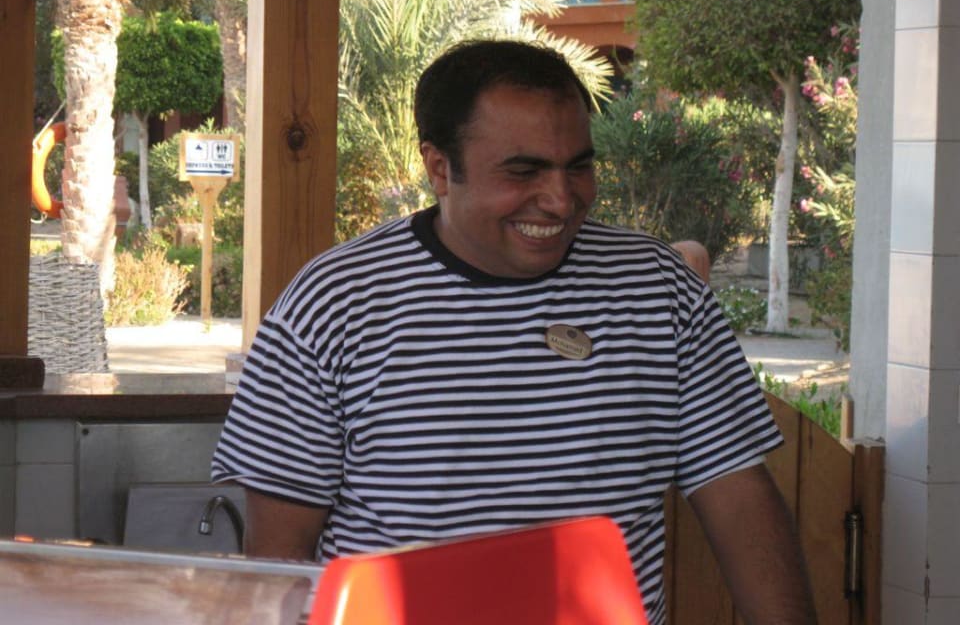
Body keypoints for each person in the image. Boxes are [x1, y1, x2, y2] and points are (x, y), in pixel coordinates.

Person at [211, 40, 816, 625]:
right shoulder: (332, 305)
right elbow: (280, 559)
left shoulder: (660, 290)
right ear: (440, 168)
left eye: (578, 167)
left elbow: (738, 498)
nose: (560, 200)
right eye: (524, 171)